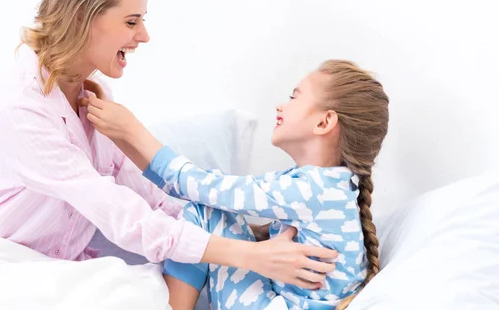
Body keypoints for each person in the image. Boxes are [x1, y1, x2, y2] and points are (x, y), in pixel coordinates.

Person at [0, 0, 338, 292]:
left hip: (56, 268)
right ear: (83, 20)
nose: (144, 36)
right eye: (131, 22)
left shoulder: (92, 94)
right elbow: (115, 209)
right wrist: (251, 257)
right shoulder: (23, 108)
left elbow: (143, 194)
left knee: (153, 282)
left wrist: (236, 233)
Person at [81, 60, 389, 309]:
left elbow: (194, 185)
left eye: (295, 96)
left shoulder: (313, 190)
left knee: (207, 213)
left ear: (324, 123)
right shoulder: (327, 188)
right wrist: (121, 135)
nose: (281, 106)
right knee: (216, 210)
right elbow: (187, 186)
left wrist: (132, 130)